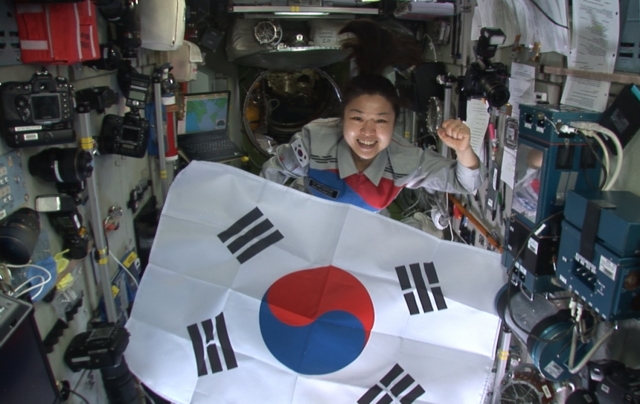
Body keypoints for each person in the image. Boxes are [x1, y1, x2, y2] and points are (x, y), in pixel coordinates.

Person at [260, 19, 482, 213]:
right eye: (357, 118)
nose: (368, 131)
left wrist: (463, 150)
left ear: (394, 123)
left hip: (364, 241)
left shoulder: (404, 160)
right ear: (342, 118)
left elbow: (464, 184)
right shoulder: (314, 141)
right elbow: (272, 175)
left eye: (380, 120)